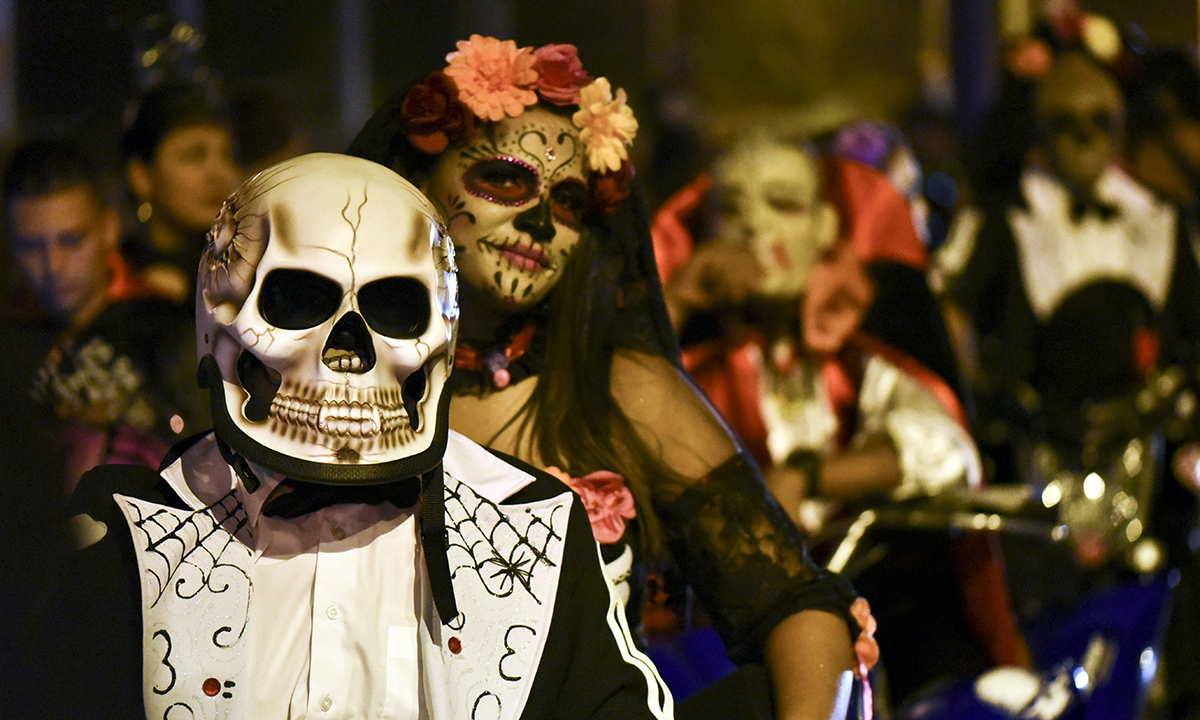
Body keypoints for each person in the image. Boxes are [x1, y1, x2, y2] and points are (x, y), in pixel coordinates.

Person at [32, 152, 673, 719]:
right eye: (297, 301)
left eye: (396, 309)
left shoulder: (531, 533)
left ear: (440, 336)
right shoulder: (130, 536)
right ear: (220, 318)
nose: (349, 352)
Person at [347, 36, 868, 720]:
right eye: (505, 178)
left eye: (567, 203)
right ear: (417, 182)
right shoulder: (324, 383)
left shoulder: (629, 393)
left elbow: (797, 605)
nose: (538, 223)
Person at [654, 127, 1027, 706]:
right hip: (719, 635)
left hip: (878, 616)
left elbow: (942, 447)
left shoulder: (860, 366)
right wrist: (676, 301)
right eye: (731, 210)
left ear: (826, 228)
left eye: (783, 204)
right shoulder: (687, 375)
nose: (754, 228)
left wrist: (810, 475)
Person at [2, 137, 208, 491]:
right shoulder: (10, 342)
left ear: (109, 229)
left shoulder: (170, 335)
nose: (53, 265)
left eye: (71, 240)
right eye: (31, 246)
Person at [121, 81, 242, 304]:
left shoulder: (253, 263)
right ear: (142, 177)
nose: (219, 173)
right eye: (194, 156)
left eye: (228, 155)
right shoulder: (115, 276)